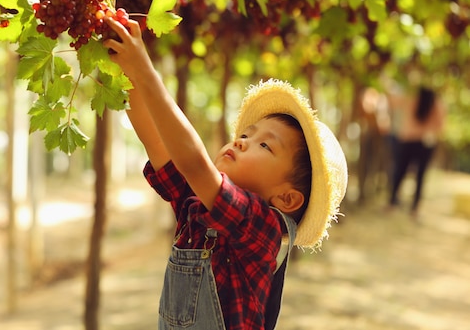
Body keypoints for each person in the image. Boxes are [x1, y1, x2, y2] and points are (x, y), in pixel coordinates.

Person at [102, 18, 348, 330]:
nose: (242, 141)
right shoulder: (195, 208)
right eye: (246, 133)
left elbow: (194, 163)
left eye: (264, 145)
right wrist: (125, 71)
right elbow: (157, 141)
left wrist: (144, 70)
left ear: (287, 198)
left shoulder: (265, 230)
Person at [388, 85, 445, 218]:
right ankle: (414, 208)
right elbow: (441, 125)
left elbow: (394, 102)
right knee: (420, 175)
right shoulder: (436, 102)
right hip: (425, 142)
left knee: (400, 171)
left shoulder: (411, 97)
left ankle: (393, 202)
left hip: (408, 139)